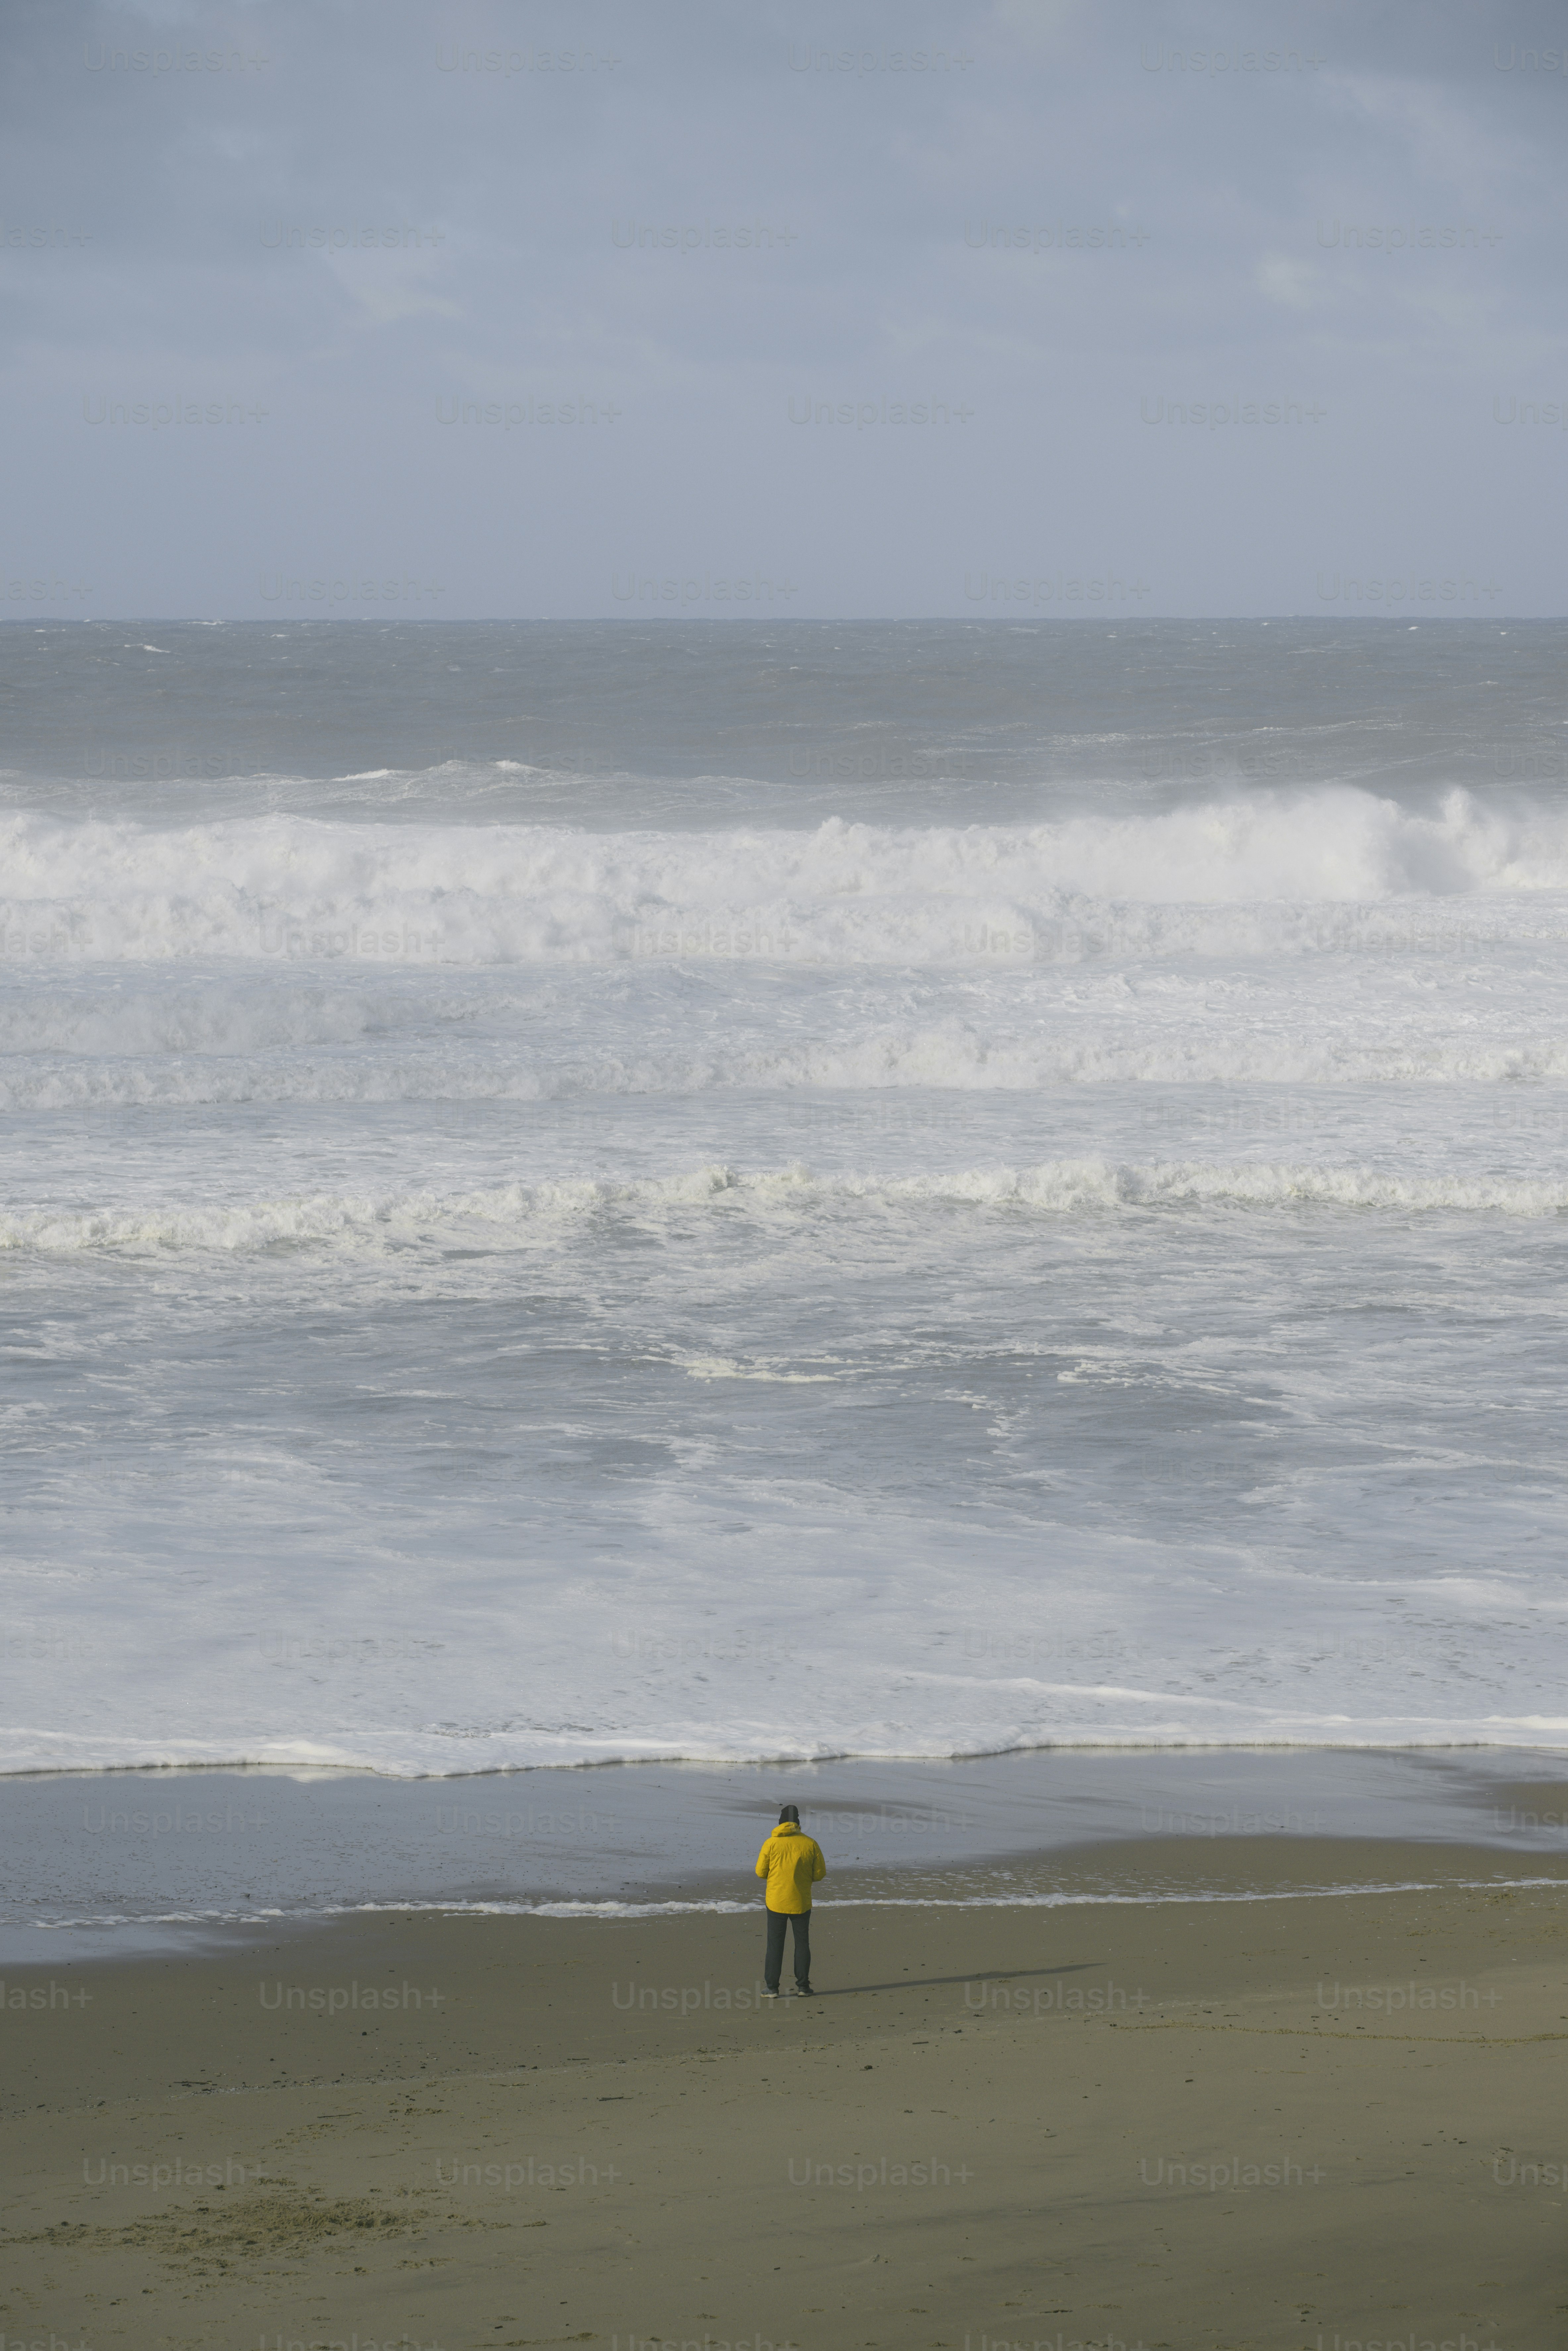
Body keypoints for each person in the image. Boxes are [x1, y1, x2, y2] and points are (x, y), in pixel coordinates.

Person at [754, 1803, 826, 1998]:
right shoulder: (810, 1843)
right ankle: (803, 1987)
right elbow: (820, 1874)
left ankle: (772, 1988)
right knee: (802, 1944)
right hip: (801, 1901)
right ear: (798, 1823)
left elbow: (761, 1872)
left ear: (781, 1822)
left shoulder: (771, 1843)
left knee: (775, 1945)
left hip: (776, 1901)